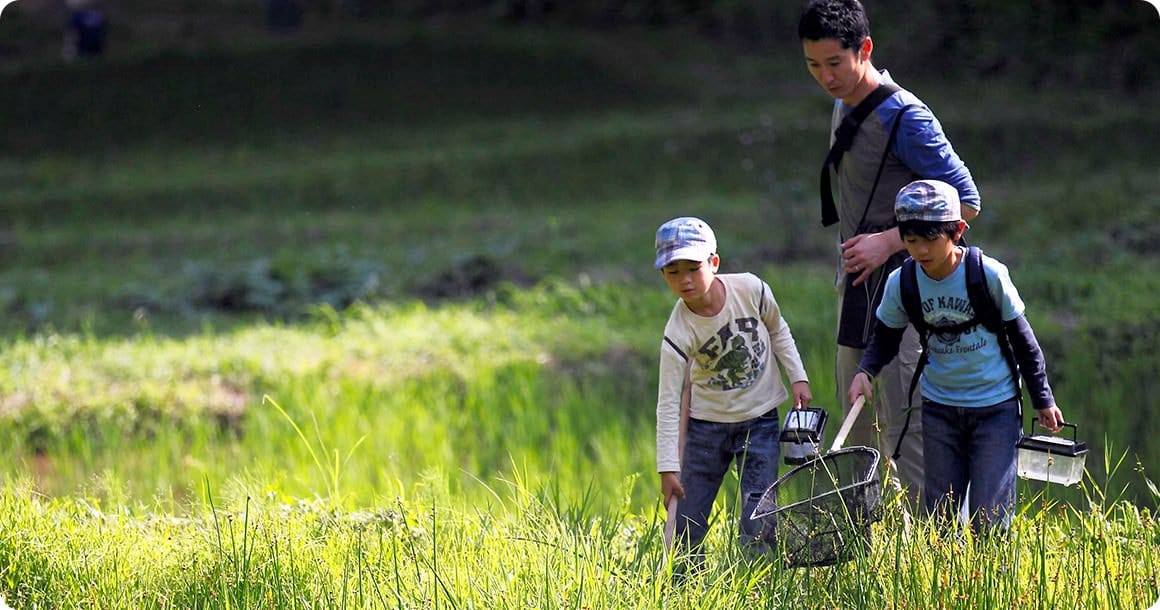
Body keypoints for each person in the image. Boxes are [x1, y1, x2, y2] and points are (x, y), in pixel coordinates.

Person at [798, 0, 981, 506]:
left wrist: (890, 241)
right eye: (813, 65)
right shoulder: (844, 103)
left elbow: (967, 201)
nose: (825, 76)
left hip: (909, 290)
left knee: (907, 422)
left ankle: (936, 549)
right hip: (858, 288)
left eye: (835, 63)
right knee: (856, 416)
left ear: (866, 50)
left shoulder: (906, 117)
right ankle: (862, 549)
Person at [847, 179, 1065, 533]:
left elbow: (1023, 340)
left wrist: (1043, 399)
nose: (920, 251)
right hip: (940, 409)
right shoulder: (902, 283)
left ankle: (993, 584)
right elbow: (884, 338)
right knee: (941, 517)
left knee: (989, 517)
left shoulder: (986, 275)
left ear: (958, 230)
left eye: (931, 239)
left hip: (995, 408)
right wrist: (864, 372)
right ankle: (947, 584)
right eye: (911, 240)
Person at [654, 216, 812, 561]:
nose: (684, 280)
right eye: (673, 272)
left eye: (693, 268)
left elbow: (778, 329)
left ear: (714, 262)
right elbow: (667, 403)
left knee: (759, 512)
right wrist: (668, 467)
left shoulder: (751, 290)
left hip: (760, 420)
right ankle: (683, 586)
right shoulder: (678, 332)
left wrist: (797, 376)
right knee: (688, 519)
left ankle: (758, 585)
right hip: (706, 427)